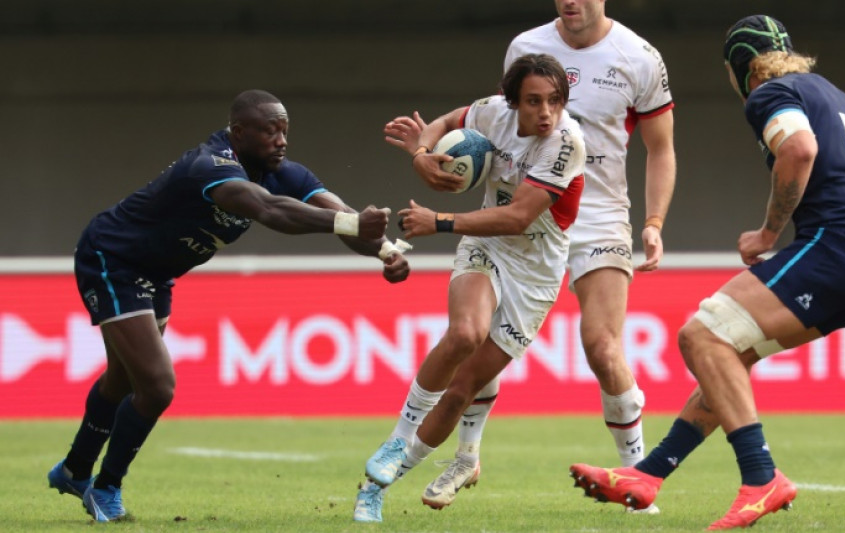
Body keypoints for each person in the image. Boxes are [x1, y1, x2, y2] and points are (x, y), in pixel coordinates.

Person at [569, 14, 845, 530]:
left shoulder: (769, 93)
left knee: (701, 339)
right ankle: (649, 474)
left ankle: (761, 476)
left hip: (838, 246)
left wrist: (768, 234)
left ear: (740, 68)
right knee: (730, 355)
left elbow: (798, 149)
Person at [46, 89, 410, 522]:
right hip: (112, 258)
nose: (282, 140)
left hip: (157, 274)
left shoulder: (281, 171)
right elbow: (270, 210)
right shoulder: (211, 166)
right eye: (271, 130)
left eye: (286, 131)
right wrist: (351, 222)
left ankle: (74, 470)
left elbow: (342, 215)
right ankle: (105, 488)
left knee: (125, 379)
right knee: (157, 386)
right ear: (238, 132)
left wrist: (385, 250)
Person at [381, 0, 675, 512]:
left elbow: (661, 147)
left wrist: (653, 222)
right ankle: (467, 456)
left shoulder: (640, 56)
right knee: (475, 340)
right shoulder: (525, 47)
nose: (571, 1)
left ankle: (638, 479)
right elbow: (490, 131)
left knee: (602, 347)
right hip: (521, 210)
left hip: (599, 214)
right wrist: (426, 155)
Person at [353, 53, 586, 522]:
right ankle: (395, 443)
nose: (546, 112)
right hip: (487, 247)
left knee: (462, 391)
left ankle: (387, 481)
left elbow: (518, 216)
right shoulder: (490, 112)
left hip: (535, 272)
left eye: (555, 101)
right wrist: (421, 155)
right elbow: (440, 122)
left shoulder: (565, 142)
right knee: (464, 333)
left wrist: (437, 220)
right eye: (534, 101)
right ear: (512, 102)